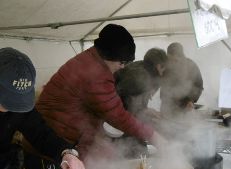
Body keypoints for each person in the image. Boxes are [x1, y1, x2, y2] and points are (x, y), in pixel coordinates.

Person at [36, 24, 167, 161]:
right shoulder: (96, 75)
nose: (122, 66)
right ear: (108, 54)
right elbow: (117, 115)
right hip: (50, 143)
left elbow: (92, 107)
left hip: (61, 137)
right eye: (121, 61)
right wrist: (153, 135)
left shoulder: (91, 58)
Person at [0, 47, 86, 169]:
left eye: (17, 101)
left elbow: (40, 132)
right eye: (6, 101)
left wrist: (66, 153)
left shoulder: (17, 109)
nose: (11, 108)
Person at [114, 47, 168, 157]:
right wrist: (146, 112)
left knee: (138, 149)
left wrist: (146, 110)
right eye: (163, 67)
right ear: (158, 65)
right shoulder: (139, 76)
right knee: (136, 154)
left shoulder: (144, 67)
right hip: (120, 122)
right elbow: (131, 110)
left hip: (123, 118)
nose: (163, 72)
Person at [160, 42, 203, 118]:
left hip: (185, 107)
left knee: (182, 125)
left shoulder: (191, 66)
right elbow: (158, 81)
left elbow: (199, 86)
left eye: (175, 60)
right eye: (170, 60)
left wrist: (191, 100)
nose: (172, 63)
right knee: (165, 125)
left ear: (181, 56)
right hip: (167, 105)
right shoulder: (166, 66)